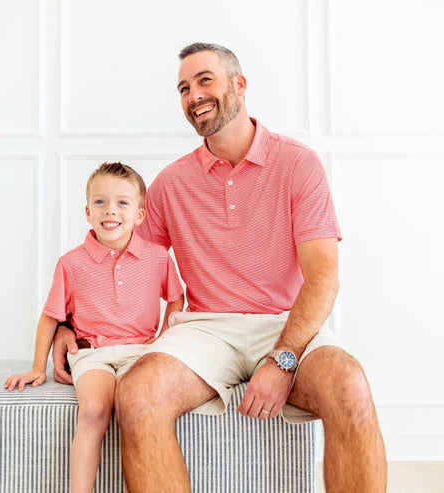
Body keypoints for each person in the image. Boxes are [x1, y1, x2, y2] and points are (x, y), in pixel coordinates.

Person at [53, 44, 387, 492]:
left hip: (286, 323)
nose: (194, 95)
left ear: (240, 84)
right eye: (183, 88)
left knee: (349, 384)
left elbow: (324, 274)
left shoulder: (297, 164)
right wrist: (66, 323)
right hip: (205, 330)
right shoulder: (171, 183)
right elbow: (121, 260)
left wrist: (282, 360)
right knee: (139, 392)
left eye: (205, 80)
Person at [4, 162, 184, 493]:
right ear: (88, 212)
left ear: (140, 215)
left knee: (137, 410)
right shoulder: (71, 263)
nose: (110, 210)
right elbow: (50, 316)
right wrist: (37, 368)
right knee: (93, 411)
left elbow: (176, 299)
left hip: (141, 353)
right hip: (93, 353)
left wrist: (161, 341)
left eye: (122, 202)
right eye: (100, 202)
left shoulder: (158, 257)